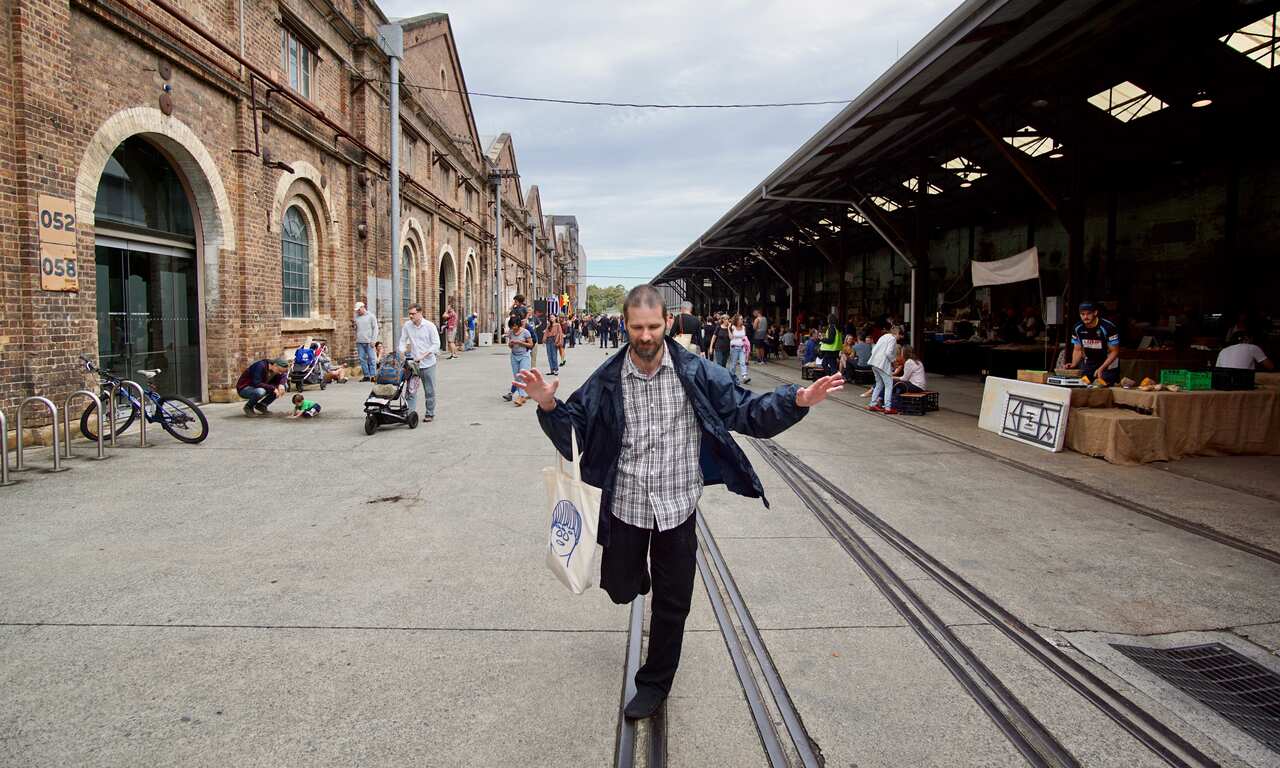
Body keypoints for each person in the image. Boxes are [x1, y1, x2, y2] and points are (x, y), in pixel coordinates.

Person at [515, 284, 844, 720]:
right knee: (620, 587)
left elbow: (744, 409)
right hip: (627, 506)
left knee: (673, 602)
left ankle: (655, 682)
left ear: (667, 323)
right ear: (625, 325)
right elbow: (576, 433)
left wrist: (796, 400)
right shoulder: (608, 379)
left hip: (677, 507)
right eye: (637, 327)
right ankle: (635, 573)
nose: (646, 336)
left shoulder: (696, 371)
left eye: (653, 326)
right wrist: (548, 404)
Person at [399, 303, 440, 423]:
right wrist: (401, 351)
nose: (411, 316)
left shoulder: (429, 326)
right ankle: (409, 414)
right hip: (413, 365)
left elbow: (436, 344)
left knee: (429, 390)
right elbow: (402, 340)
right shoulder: (407, 325)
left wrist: (424, 355)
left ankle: (430, 413)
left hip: (428, 364)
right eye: (409, 314)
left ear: (420, 313)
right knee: (411, 390)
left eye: (413, 313)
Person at [1069, 301, 1121, 385]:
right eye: (1082, 314)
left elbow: (1114, 351)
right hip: (1091, 361)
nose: (1085, 317)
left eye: (1088, 314)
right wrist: (1073, 364)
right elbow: (1077, 349)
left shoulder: (1108, 327)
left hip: (1108, 362)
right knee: (1084, 383)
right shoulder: (1077, 328)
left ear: (1095, 313)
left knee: (1103, 384)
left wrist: (1101, 368)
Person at [868, 328, 899, 414]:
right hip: (882, 364)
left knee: (879, 384)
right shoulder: (892, 339)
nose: (900, 337)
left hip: (874, 362)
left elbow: (874, 349)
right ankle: (888, 407)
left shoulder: (883, 337)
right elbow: (888, 353)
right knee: (889, 385)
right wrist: (893, 362)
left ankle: (873, 404)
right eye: (900, 335)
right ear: (897, 333)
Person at [507, 316, 534, 406]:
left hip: (524, 356)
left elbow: (531, 345)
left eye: (515, 326)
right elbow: (510, 346)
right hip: (514, 356)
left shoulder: (525, 332)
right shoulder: (511, 332)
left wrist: (520, 342)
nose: (514, 328)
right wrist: (510, 344)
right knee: (517, 377)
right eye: (512, 326)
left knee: (522, 376)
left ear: (518, 325)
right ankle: (526, 393)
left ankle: (521, 396)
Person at [353, 302, 379, 382]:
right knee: (362, 359)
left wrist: (373, 340)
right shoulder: (356, 317)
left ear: (363, 307)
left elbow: (375, 329)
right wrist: (354, 327)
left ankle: (373, 375)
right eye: (357, 310)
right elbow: (356, 328)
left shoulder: (371, 316)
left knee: (372, 359)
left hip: (369, 341)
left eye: (359, 310)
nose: (358, 311)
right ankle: (366, 375)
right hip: (360, 341)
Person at [729, 315, 749, 384]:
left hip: (742, 348)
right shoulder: (733, 327)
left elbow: (744, 337)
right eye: (741, 319)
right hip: (734, 348)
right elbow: (731, 338)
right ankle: (732, 376)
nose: (742, 320)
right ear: (737, 320)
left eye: (742, 319)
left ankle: (744, 377)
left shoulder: (743, 327)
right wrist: (728, 329)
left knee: (743, 362)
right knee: (733, 363)